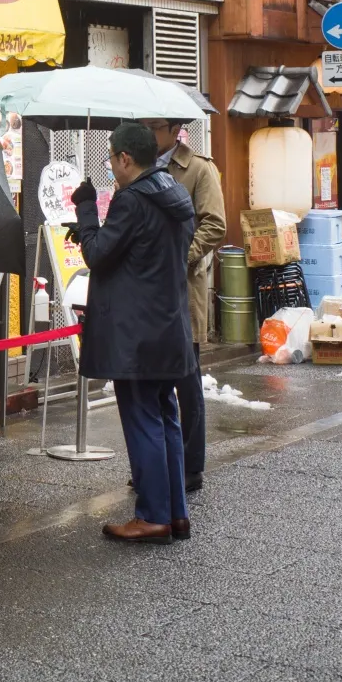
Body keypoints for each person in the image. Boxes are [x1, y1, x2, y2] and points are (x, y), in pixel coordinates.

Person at [72, 120, 196, 543]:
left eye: (111, 158)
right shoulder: (174, 193)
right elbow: (141, 254)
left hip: (138, 335)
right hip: (169, 326)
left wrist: (86, 209)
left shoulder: (132, 200)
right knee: (166, 418)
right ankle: (176, 512)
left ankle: (153, 516)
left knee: (143, 419)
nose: (111, 166)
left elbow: (97, 254)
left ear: (126, 158)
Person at [145, 116, 226, 494]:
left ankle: (191, 465)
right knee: (151, 379)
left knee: (186, 380)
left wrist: (182, 257)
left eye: (154, 125)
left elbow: (215, 224)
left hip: (182, 288)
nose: (148, 131)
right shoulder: (141, 167)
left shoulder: (198, 169)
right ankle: (155, 463)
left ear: (173, 128)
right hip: (146, 291)